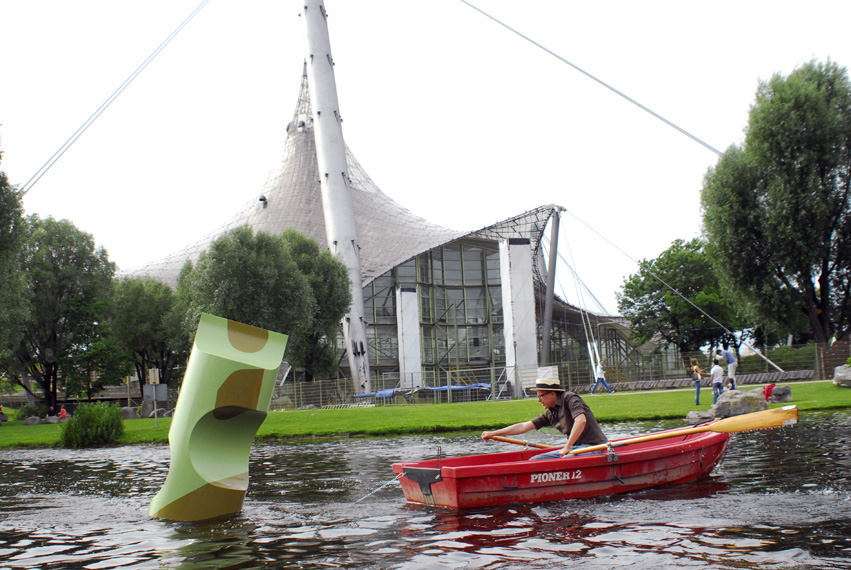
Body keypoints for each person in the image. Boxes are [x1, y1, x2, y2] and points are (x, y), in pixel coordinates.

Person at [482, 378, 608, 460]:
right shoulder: (550, 413)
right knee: (534, 460)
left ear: (552, 394)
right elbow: (524, 426)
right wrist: (494, 433)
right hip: (574, 449)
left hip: (593, 448)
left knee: (566, 459)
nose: (538, 400)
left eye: (541, 396)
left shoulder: (570, 398)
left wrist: (567, 447)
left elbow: (581, 421)